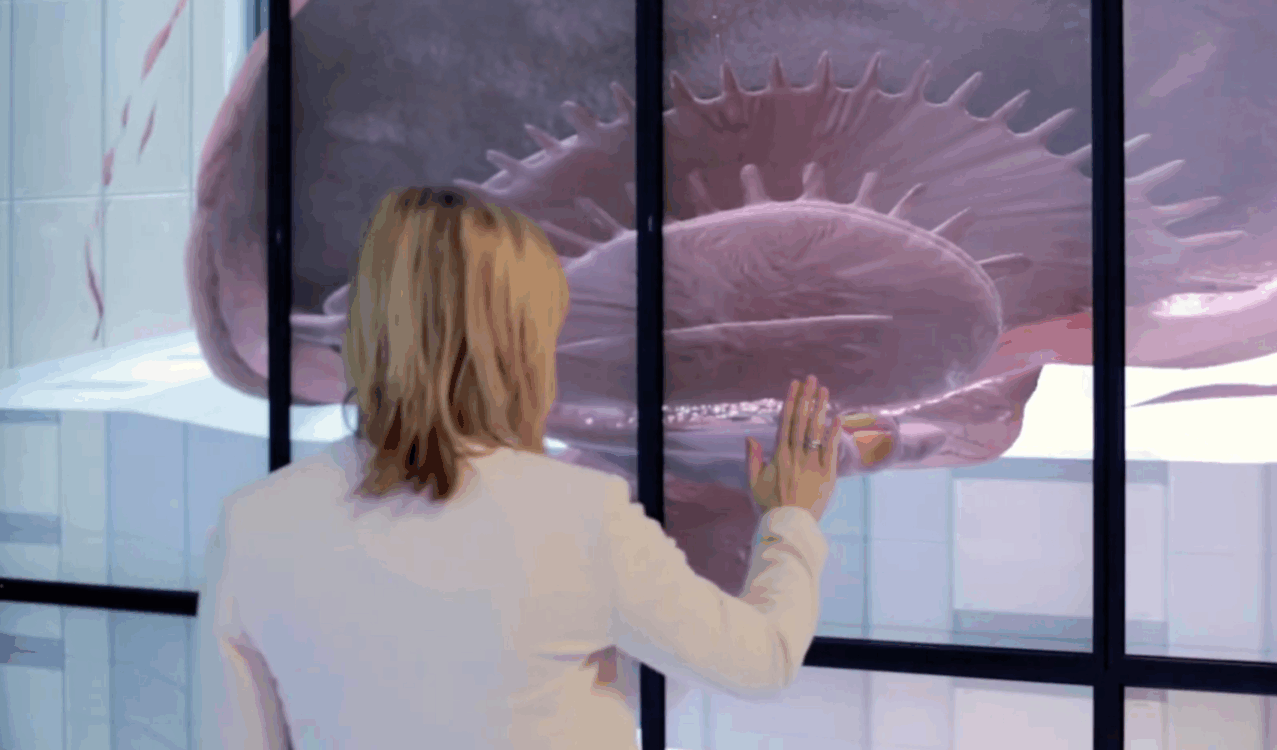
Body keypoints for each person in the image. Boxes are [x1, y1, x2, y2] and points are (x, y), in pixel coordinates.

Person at [196, 186, 843, 749]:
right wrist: (790, 519)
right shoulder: (582, 516)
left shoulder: (253, 525)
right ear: (519, 344)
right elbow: (763, 661)